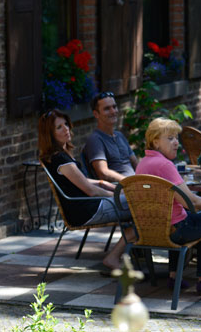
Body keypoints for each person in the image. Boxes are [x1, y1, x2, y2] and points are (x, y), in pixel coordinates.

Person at [37, 109, 134, 272]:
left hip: (86, 207)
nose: (66, 129)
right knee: (144, 205)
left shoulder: (59, 155)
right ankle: (114, 257)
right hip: (86, 210)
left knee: (141, 205)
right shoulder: (60, 159)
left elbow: (85, 182)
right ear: (50, 134)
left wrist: (105, 184)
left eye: (66, 124)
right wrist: (116, 195)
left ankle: (132, 253)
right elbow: (91, 191)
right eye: (59, 127)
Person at [135, 117, 201, 293]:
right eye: (170, 138)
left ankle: (174, 277)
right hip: (174, 231)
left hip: (148, 229)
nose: (176, 143)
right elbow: (191, 202)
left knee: (178, 217)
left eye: (176, 138)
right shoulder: (165, 165)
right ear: (155, 142)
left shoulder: (143, 163)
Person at [82, 92, 138, 182]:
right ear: (96, 114)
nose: (113, 111)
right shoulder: (95, 140)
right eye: (107, 109)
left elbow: (135, 163)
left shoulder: (120, 136)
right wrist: (129, 182)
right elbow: (103, 173)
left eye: (114, 107)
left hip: (136, 185)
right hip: (119, 189)